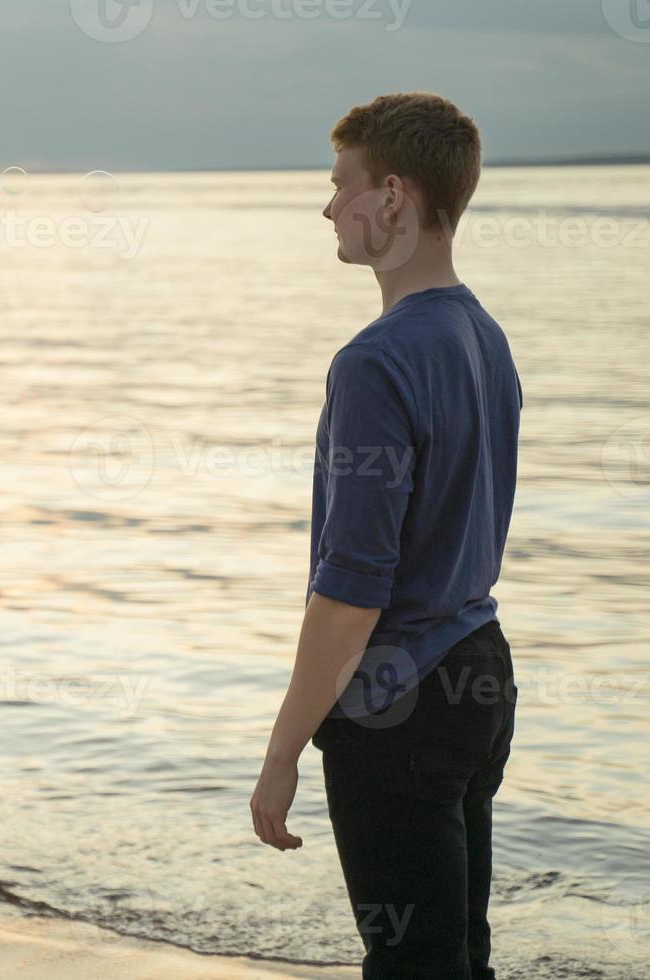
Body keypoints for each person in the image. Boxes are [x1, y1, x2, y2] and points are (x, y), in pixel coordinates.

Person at [248, 93, 522, 978]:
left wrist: (282, 750)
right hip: (480, 670)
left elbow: (352, 590)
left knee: (413, 969)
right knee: (459, 958)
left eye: (343, 186)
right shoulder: (485, 337)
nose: (330, 207)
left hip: (398, 701)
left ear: (393, 197)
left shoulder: (376, 361)